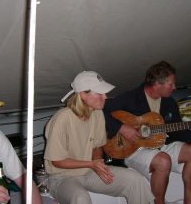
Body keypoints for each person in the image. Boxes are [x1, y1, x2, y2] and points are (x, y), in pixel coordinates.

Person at [103, 61, 191, 204]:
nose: (174, 87)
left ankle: (189, 200)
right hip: (132, 149)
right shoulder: (130, 98)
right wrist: (122, 128)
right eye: (171, 84)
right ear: (157, 84)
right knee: (163, 160)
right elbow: (101, 112)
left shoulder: (169, 102)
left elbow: (175, 132)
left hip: (161, 144)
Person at [44, 71, 154, 204]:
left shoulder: (97, 113)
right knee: (80, 198)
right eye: (100, 93)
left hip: (88, 171)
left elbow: (97, 146)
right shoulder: (62, 119)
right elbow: (57, 161)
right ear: (83, 94)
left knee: (135, 180)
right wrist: (91, 164)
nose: (105, 97)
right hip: (62, 177)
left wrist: (97, 162)